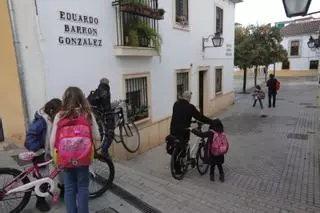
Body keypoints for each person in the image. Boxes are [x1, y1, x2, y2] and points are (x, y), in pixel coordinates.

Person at [50, 87, 100, 213]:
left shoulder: (59, 115)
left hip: (66, 158)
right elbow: (97, 136)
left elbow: (52, 141)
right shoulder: (87, 114)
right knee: (83, 187)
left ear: (65, 99)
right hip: (83, 158)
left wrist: (54, 156)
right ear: (82, 98)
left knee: (69, 188)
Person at [24, 98, 62, 212]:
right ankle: (40, 202)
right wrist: (38, 149)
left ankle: (64, 189)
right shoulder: (41, 121)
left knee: (61, 169)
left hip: (48, 151)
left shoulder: (50, 119)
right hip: (40, 153)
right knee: (43, 178)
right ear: (51, 111)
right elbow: (30, 136)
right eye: (58, 113)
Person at [169, 91, 213, 174]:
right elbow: (200, 117)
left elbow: (180, 115)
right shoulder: (190, 107)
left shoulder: (176, 104)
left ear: (182, 96)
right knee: (183, 147)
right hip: (183, 131)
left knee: (177, 147)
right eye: (190, 98)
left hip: (173, 129)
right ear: (189, 98)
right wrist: (211, 121)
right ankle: (179, 169)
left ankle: (175, 166)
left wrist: (191, 120)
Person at [88, 78, 114, 157]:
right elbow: (106, 105)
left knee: (99, 133)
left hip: (93, 114)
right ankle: (104, 151)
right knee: (110, 132)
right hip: (100, 116)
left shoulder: (96, 91)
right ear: (107, 83)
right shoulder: (105, 90)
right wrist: (110, 116)